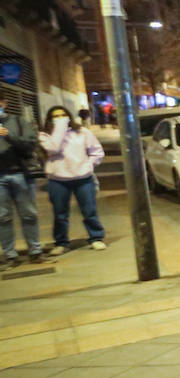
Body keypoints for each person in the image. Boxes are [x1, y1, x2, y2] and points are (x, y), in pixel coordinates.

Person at [38, 105, 106, 254]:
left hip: (83, 177)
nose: (60, 118)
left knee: (89, 210)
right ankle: (61, 242)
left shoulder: (82, 132)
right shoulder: (45, 135)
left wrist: (88, 166)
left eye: (63, 115)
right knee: (60, 213)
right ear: (50, 119)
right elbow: (53, 149)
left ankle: (96, 237)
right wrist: (60, 128)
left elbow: (97, 152)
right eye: (56, 116)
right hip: (58, 179)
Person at [0, 92, 43, 267]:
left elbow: (30, 145)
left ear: (3, 102)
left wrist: (8, 135)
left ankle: (35, 251)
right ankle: (10, 256)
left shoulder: (18, 121)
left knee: (29, 215)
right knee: (2, 218)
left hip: (20, 174)